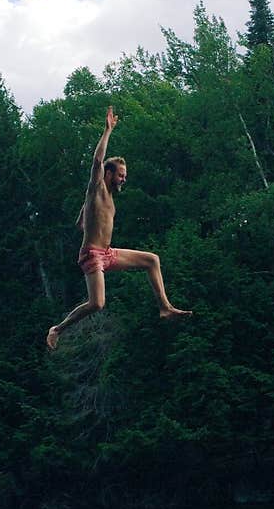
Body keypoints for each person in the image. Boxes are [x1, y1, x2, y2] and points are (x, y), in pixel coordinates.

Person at [46, 106, 191, 350]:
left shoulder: (107, 196)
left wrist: (83, 217)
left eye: (125, 175)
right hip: (92, 255)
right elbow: (97, 161)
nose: (124, 179)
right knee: (97, 304)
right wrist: (108, 130)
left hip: (108, 253)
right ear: (108, 174)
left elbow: (83, 219)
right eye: (121, 175)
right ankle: (57, 329)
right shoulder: (98, 187)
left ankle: (165, 308)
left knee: (152, 260)